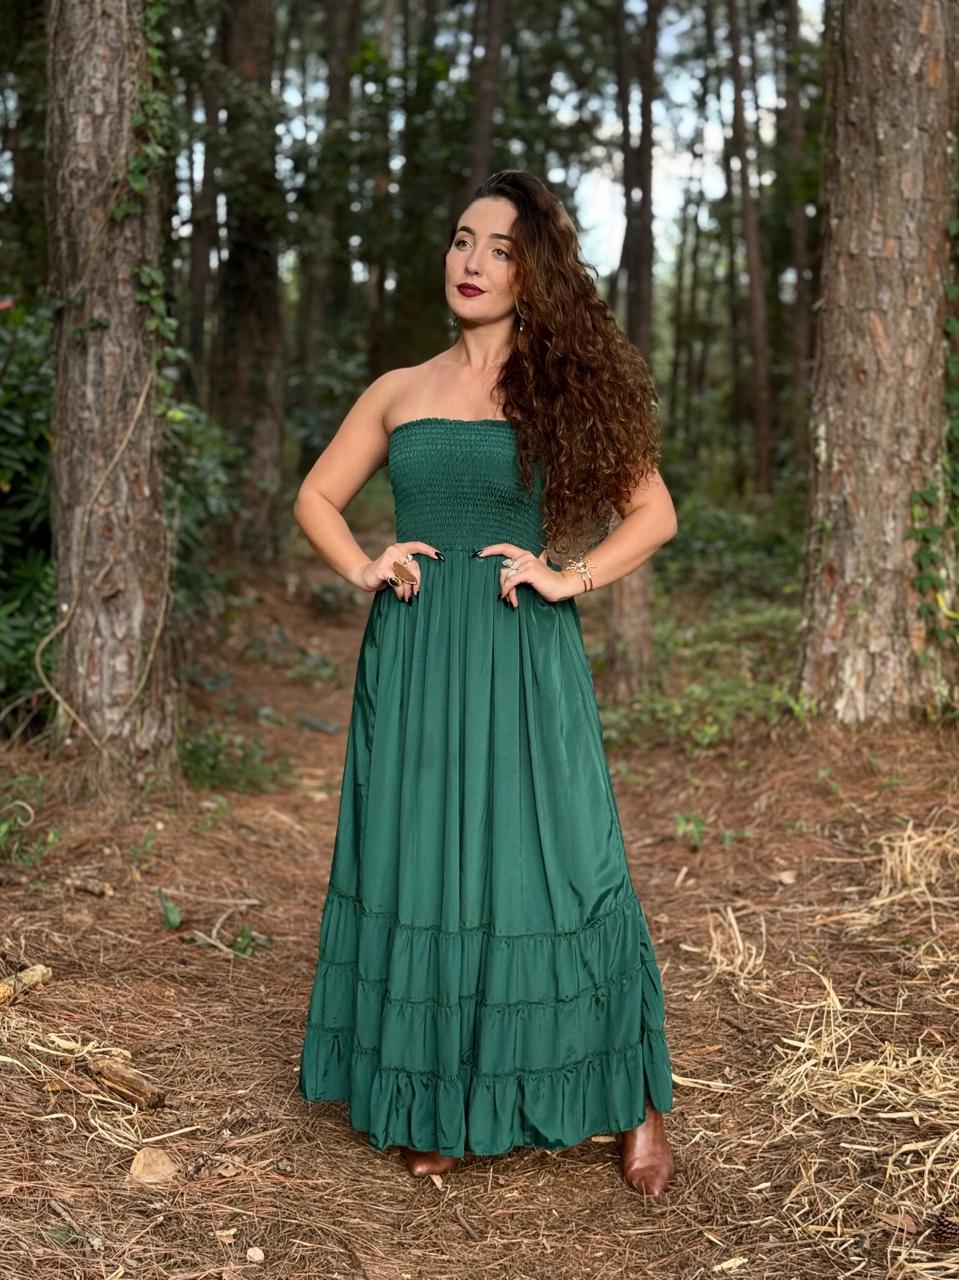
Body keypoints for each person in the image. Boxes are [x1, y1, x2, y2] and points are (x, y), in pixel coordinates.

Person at [294, 169, 678, 1194]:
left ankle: (635, 1097)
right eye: (462, 239)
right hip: (418, 657)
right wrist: (363, 563)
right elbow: (316, 496)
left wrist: (568, 575)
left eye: (500, 249)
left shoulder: (560, 388)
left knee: (563, 865)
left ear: (531, 272)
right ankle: (448, 1101)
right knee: (432, 866)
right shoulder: (397, 389)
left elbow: (654, 513)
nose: (471, 262)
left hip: (520, 652)